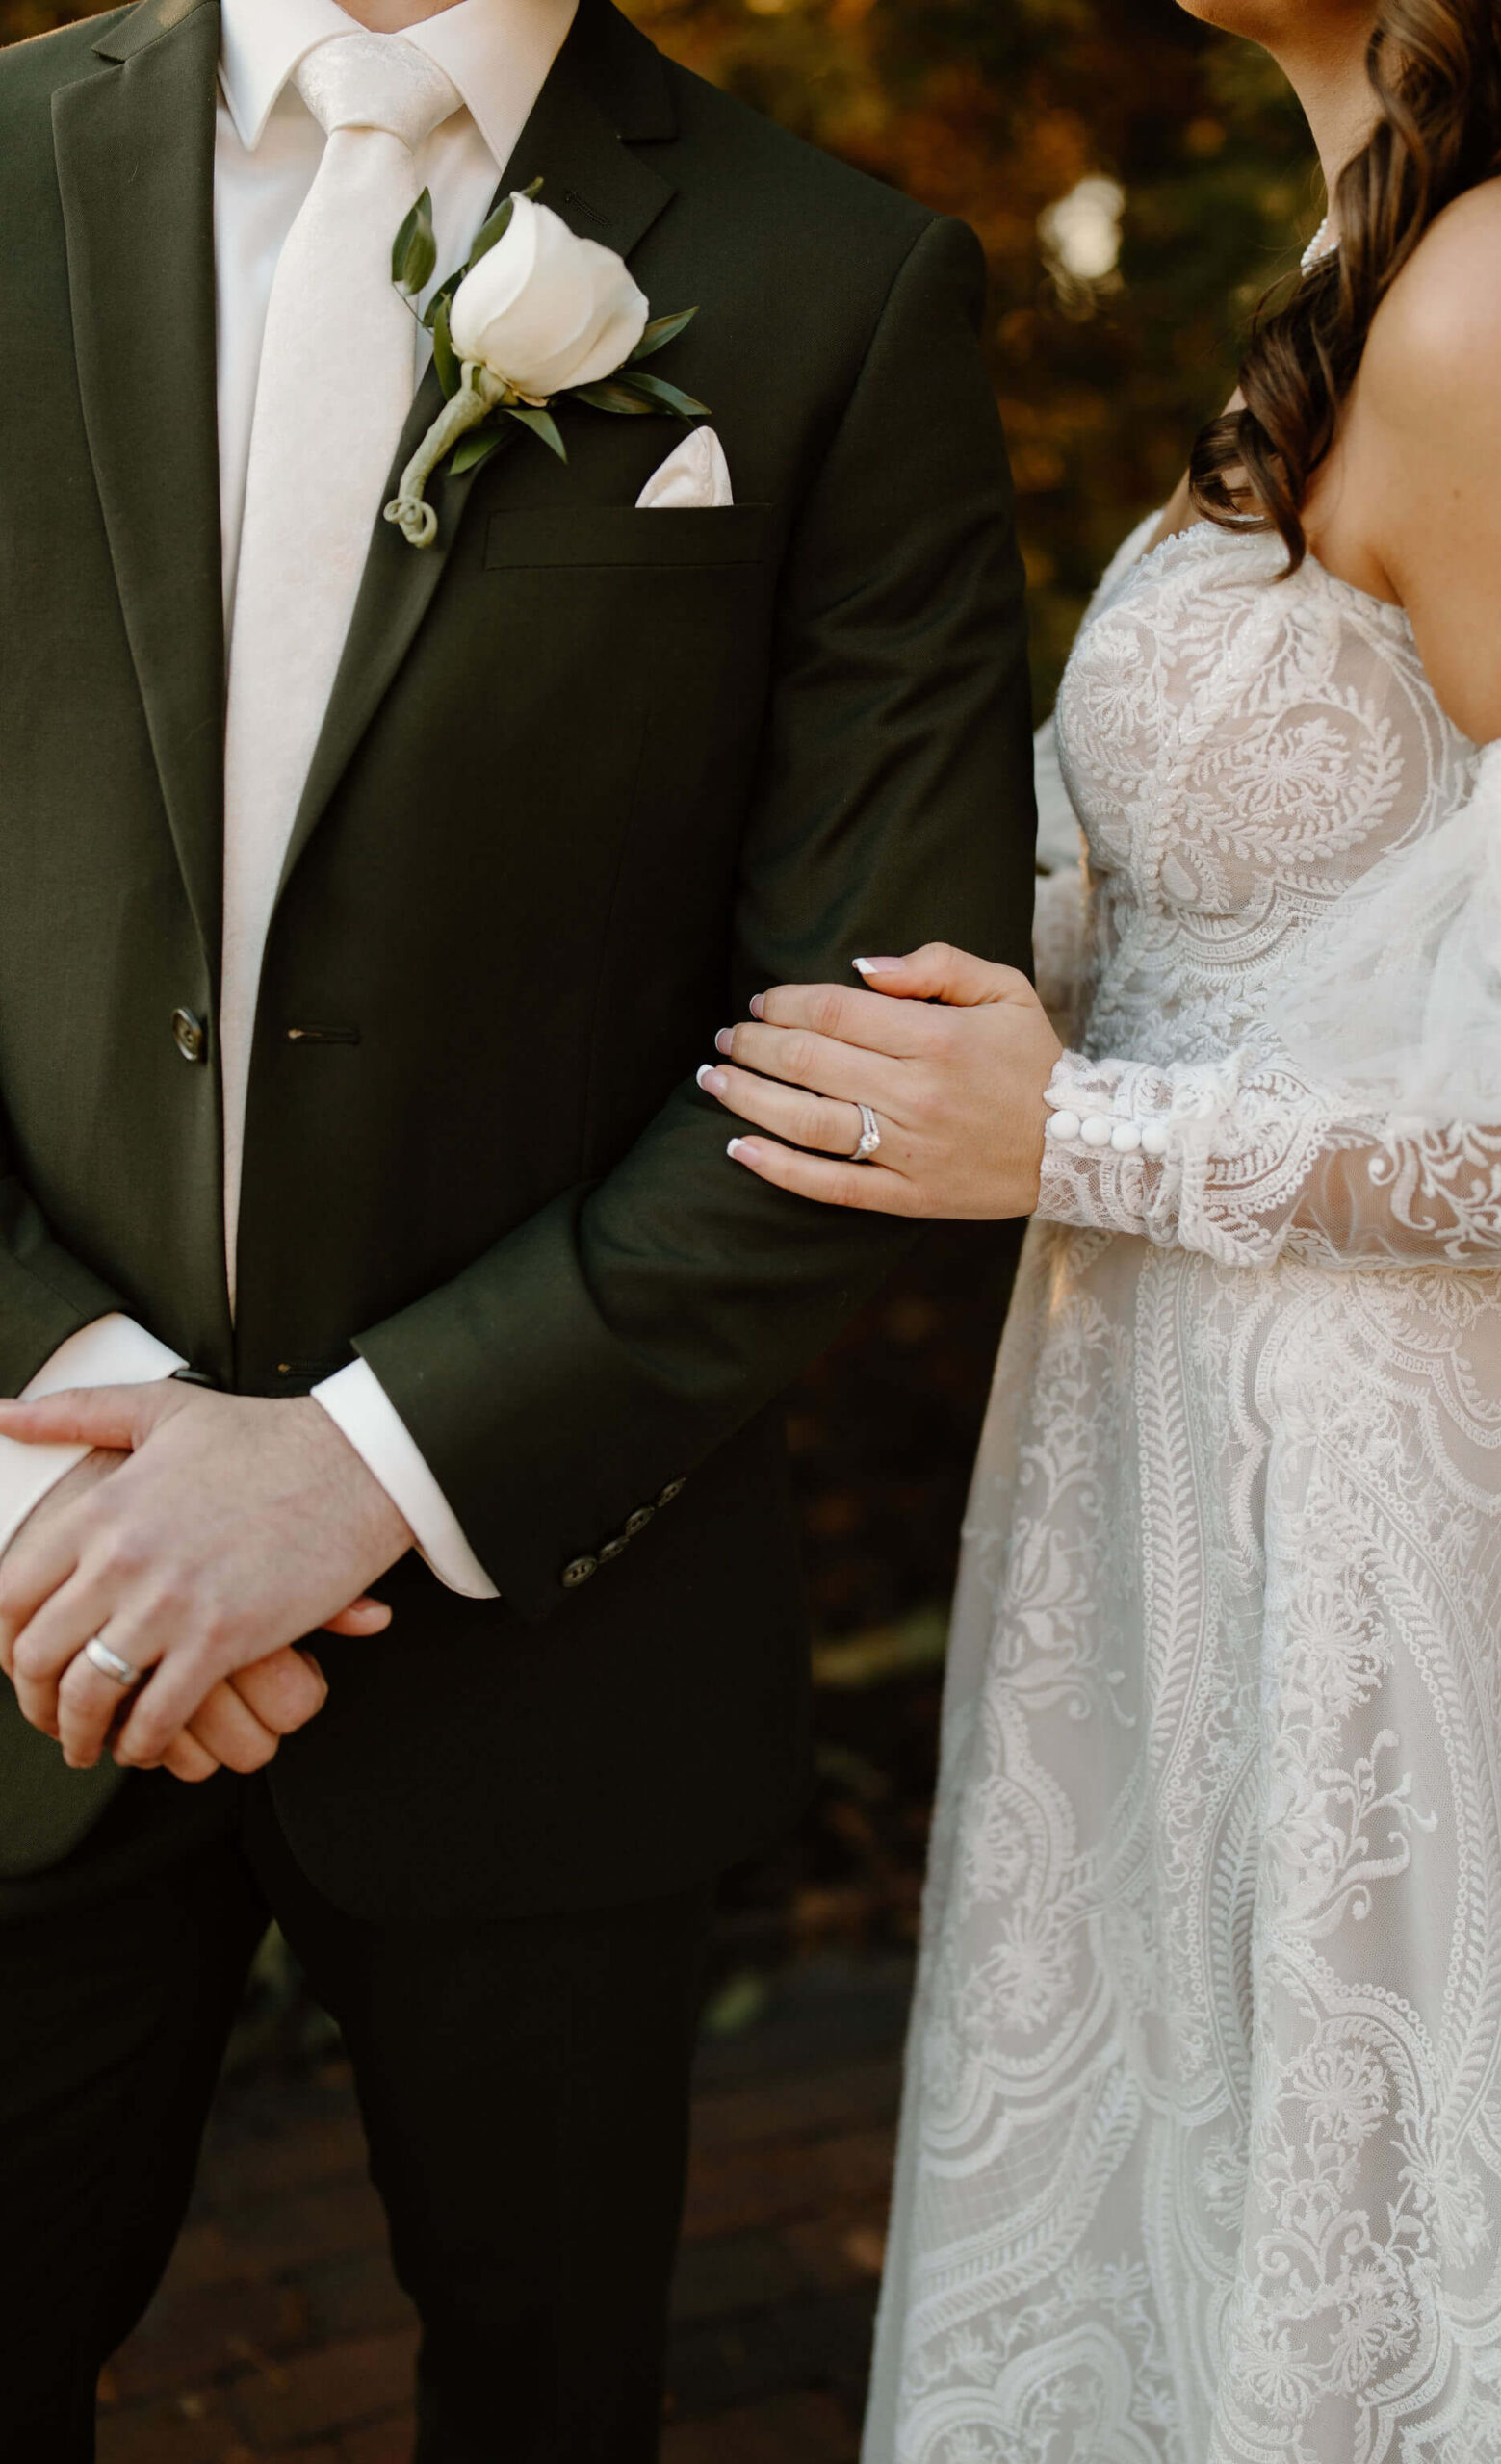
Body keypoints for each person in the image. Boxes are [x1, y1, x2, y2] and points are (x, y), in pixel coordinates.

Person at [0, 0, 1036, 2449]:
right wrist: (88, 1444)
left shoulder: (832, 280)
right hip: (28, 1591)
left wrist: (360, 1464)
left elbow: (860, 1052)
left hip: (555, 1614)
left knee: (547, 2395)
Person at [696, 0, 1501, 2451]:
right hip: (1188, 1444)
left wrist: (1083, 1138)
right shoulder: (1385, 250)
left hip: (1411, 1498)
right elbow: (1263, 903)